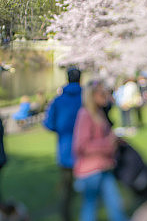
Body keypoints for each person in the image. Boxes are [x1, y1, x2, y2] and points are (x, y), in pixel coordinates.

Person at [72, 79, 127, 221]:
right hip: (91, 171)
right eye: (103, 93)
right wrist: (108, 144)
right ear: (93, 95)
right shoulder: (85, 114)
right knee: (90, 208)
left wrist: (116, 140)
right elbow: (81, 146)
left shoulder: (98, 113)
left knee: (116, 206)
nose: (106, 95)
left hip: (104, 166)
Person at [43, 67, 83, 221]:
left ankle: (66, 217)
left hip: (66, 150)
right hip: (85, 150)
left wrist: (62, 129)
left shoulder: (58, 100)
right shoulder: (86, 98)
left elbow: (48, 123)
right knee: (88, 187)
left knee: (66, 189)